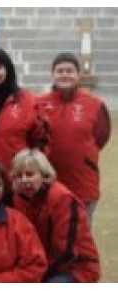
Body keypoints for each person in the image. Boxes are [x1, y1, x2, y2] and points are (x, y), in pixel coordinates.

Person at [37, 52, 111, 224]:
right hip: (48, 183)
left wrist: (82, 155)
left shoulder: (94, 105)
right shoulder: (39, 103)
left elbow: (101, 136)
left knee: (80, 238)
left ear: (78, 75)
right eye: (60, 71)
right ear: (53, 75)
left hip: (83, 184)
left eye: (69, 71)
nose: (65, 75)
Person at [11, 149, 100, 283]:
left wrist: (35, 276)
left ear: (43, 175)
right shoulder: (17, 200)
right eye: (19, 175)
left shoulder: (62, 199)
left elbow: (66, 253)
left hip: (74, 267)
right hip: (37, 265)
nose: (24, 180)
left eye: (30, 174)